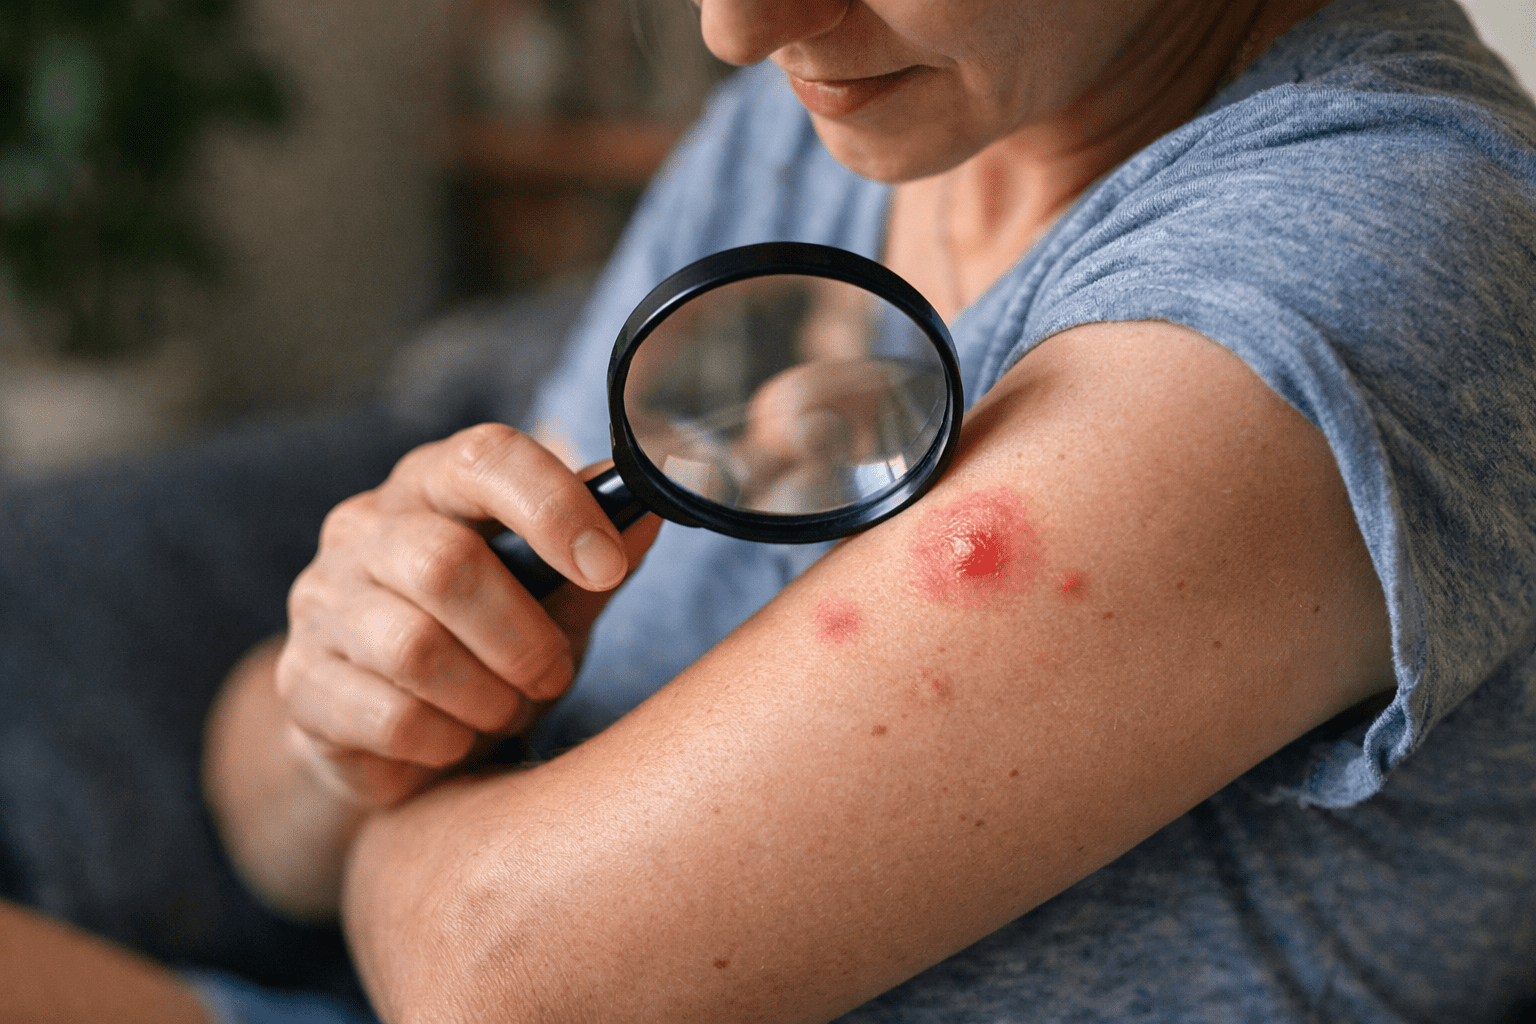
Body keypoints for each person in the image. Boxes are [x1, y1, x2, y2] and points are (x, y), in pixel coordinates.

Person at [6, 0, 1536, 1020]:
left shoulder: (1357, 268)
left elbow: (507, 982)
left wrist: (416, 835)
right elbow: (264, 826)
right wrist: (342, 710)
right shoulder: (839, 125)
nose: (735, 26)